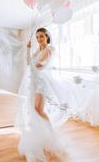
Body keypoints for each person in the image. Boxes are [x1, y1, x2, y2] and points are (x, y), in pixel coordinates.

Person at [18, 28, 71, 162]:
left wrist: (40, 63)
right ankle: (40, 135)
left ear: (47, 37)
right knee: (34, 110)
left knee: (38, 109)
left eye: (41, 36)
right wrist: (28, 49)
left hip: (42, 83)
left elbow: (44, 62)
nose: (39, 39)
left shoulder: (49, 49)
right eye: (37, 37)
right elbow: (29, 63)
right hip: (34, 83)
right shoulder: (38, 50)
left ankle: (51, 134)